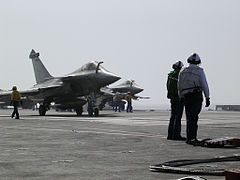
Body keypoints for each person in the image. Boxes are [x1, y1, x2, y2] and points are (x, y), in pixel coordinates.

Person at [178, 53, 210, 145]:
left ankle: (189, 137)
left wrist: (181, 96)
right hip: (196, 95)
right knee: (194, 117)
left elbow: (179, 85)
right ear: (198, 62)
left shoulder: (182, 71)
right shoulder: (199, 71)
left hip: (186, 95)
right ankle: (193, 138)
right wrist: (207, 97)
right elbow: (204, 85)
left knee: (189, 117)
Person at [167, 61, 186, 140]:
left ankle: (170, 134)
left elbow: (167, 85)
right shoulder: (180, 74)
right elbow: (181, 86)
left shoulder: (170, 75)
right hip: (178, 98)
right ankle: (176, 135)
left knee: (172, 116)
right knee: (178, 117)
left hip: (172, 97)